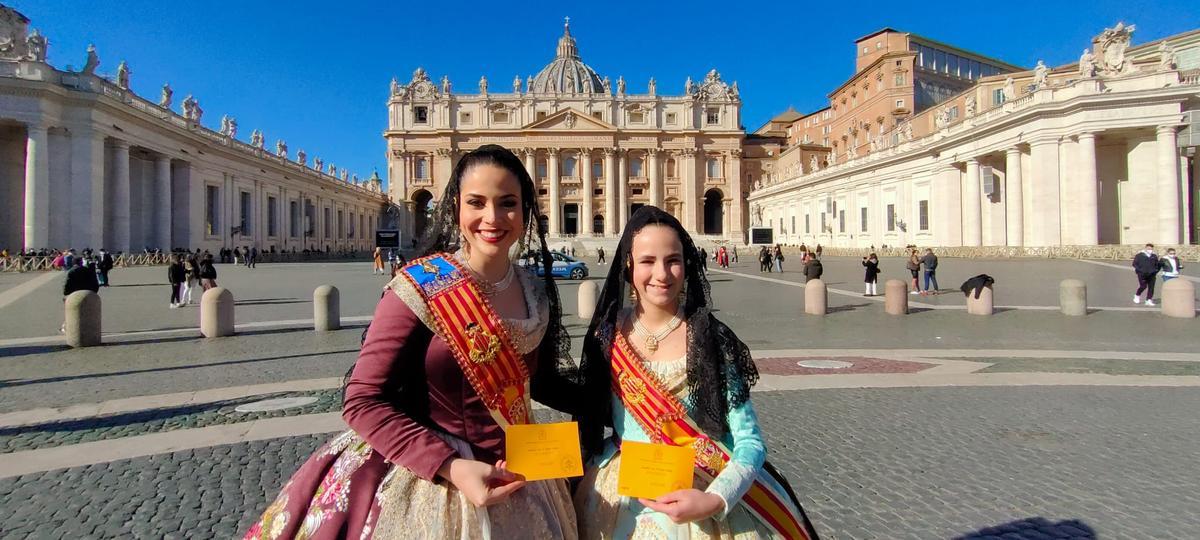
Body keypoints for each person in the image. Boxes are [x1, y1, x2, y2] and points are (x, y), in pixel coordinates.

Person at [243, 145, 580, 539]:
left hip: (520, 470)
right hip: (438, 477)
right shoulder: (419, 287)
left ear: (525, 213)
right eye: (477, 202)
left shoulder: (534, 290)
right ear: (455, 208)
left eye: (508, 203)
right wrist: (450, 465)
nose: (492, 217)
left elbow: (536, 384)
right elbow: (362, 399)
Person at [572, 206, 820, 539]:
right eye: (647, 261)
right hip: (622, 487)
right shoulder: (607, 337)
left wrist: (716, 499)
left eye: (672, 260)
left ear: (686, 264)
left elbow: (750, 441)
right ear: (629, 265)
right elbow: (582, 402)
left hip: (701, 486)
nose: (662, 274)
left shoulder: (710, 338)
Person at [61, 258, 100, 333]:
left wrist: (66, 293)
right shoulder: (87, 270)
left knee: (70, 311)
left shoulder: (71, 271)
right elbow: (94, 282)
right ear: (81, 263)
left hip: (73, 294)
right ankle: (89, 327)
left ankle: (67, 326)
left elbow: (66, 284)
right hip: (87, 293)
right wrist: (93, 291)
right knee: (88, 311)